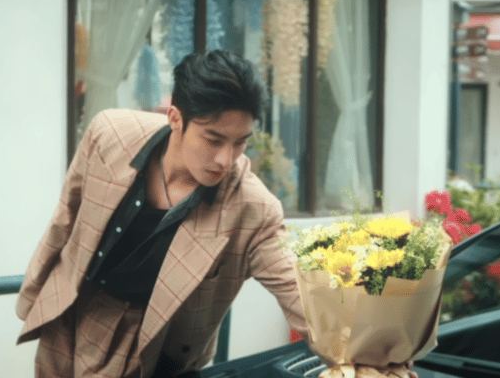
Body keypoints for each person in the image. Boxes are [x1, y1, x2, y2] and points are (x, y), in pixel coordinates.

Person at [16, 49, 302, 377]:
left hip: (145, 345)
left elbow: (299, 292)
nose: (226, 159)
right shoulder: (110, 133)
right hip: (69, 310)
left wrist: (345, 345)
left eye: (240, 143)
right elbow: (66, 217)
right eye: (214, 140)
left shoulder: (253, 208)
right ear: (175, 118)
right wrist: (35, 298)